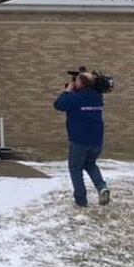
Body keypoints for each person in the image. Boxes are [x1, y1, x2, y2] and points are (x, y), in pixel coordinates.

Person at [53, 71, 111, 207]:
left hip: (79, 140)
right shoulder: (97, 96)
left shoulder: (75, 98)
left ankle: (81, 201)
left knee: (75, 169)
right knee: (90, 164)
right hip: (96, 141)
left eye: (77, 81)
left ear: (82, 84)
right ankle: (102, 187)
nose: (74, 83)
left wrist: (67, 91)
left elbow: (58, 105)